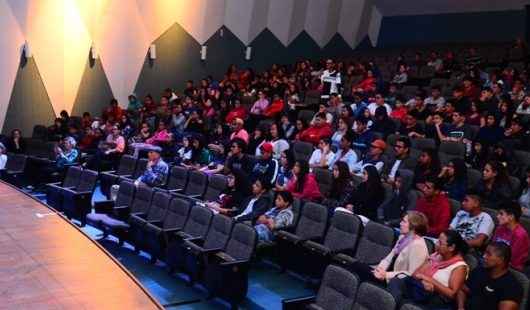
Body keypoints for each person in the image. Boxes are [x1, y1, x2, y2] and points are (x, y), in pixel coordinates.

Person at [388, 230, 469, 308]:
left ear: (451, 247)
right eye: (437, 241)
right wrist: (424, 281)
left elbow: (452, 294)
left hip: (437, 298)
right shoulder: (436, 255)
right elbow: (416, 274)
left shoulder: (459, 266)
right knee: (396, 282)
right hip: (419, 288)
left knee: (408, 300)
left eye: (440, 243)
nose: (436, 244)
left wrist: (430, 281)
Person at [457, 241, 523, 310]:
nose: (484, 256)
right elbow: (462, 290)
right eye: (485, 253)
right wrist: (461, 307)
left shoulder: (512, 287)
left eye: (488, 254)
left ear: (501, 259)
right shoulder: (479, 271)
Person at [369, 211, 430, 283]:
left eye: (404, 222)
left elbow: (410, 274)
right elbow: (389, 258)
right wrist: (379, 270)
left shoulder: (418, 246)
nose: (400, 223)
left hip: (396, 282)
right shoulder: (402, 237)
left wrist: (386, 275)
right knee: (358, 266)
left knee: (359, 269)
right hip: (384, 275)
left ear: (413, 226)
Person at [492, 201, 530, 270]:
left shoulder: (520, 235)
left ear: (511, 216)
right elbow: (492, 247)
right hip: (495, 261)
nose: (497, 216)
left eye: (501, 214)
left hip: (512, 268)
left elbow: (511, 258)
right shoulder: (500, 228)